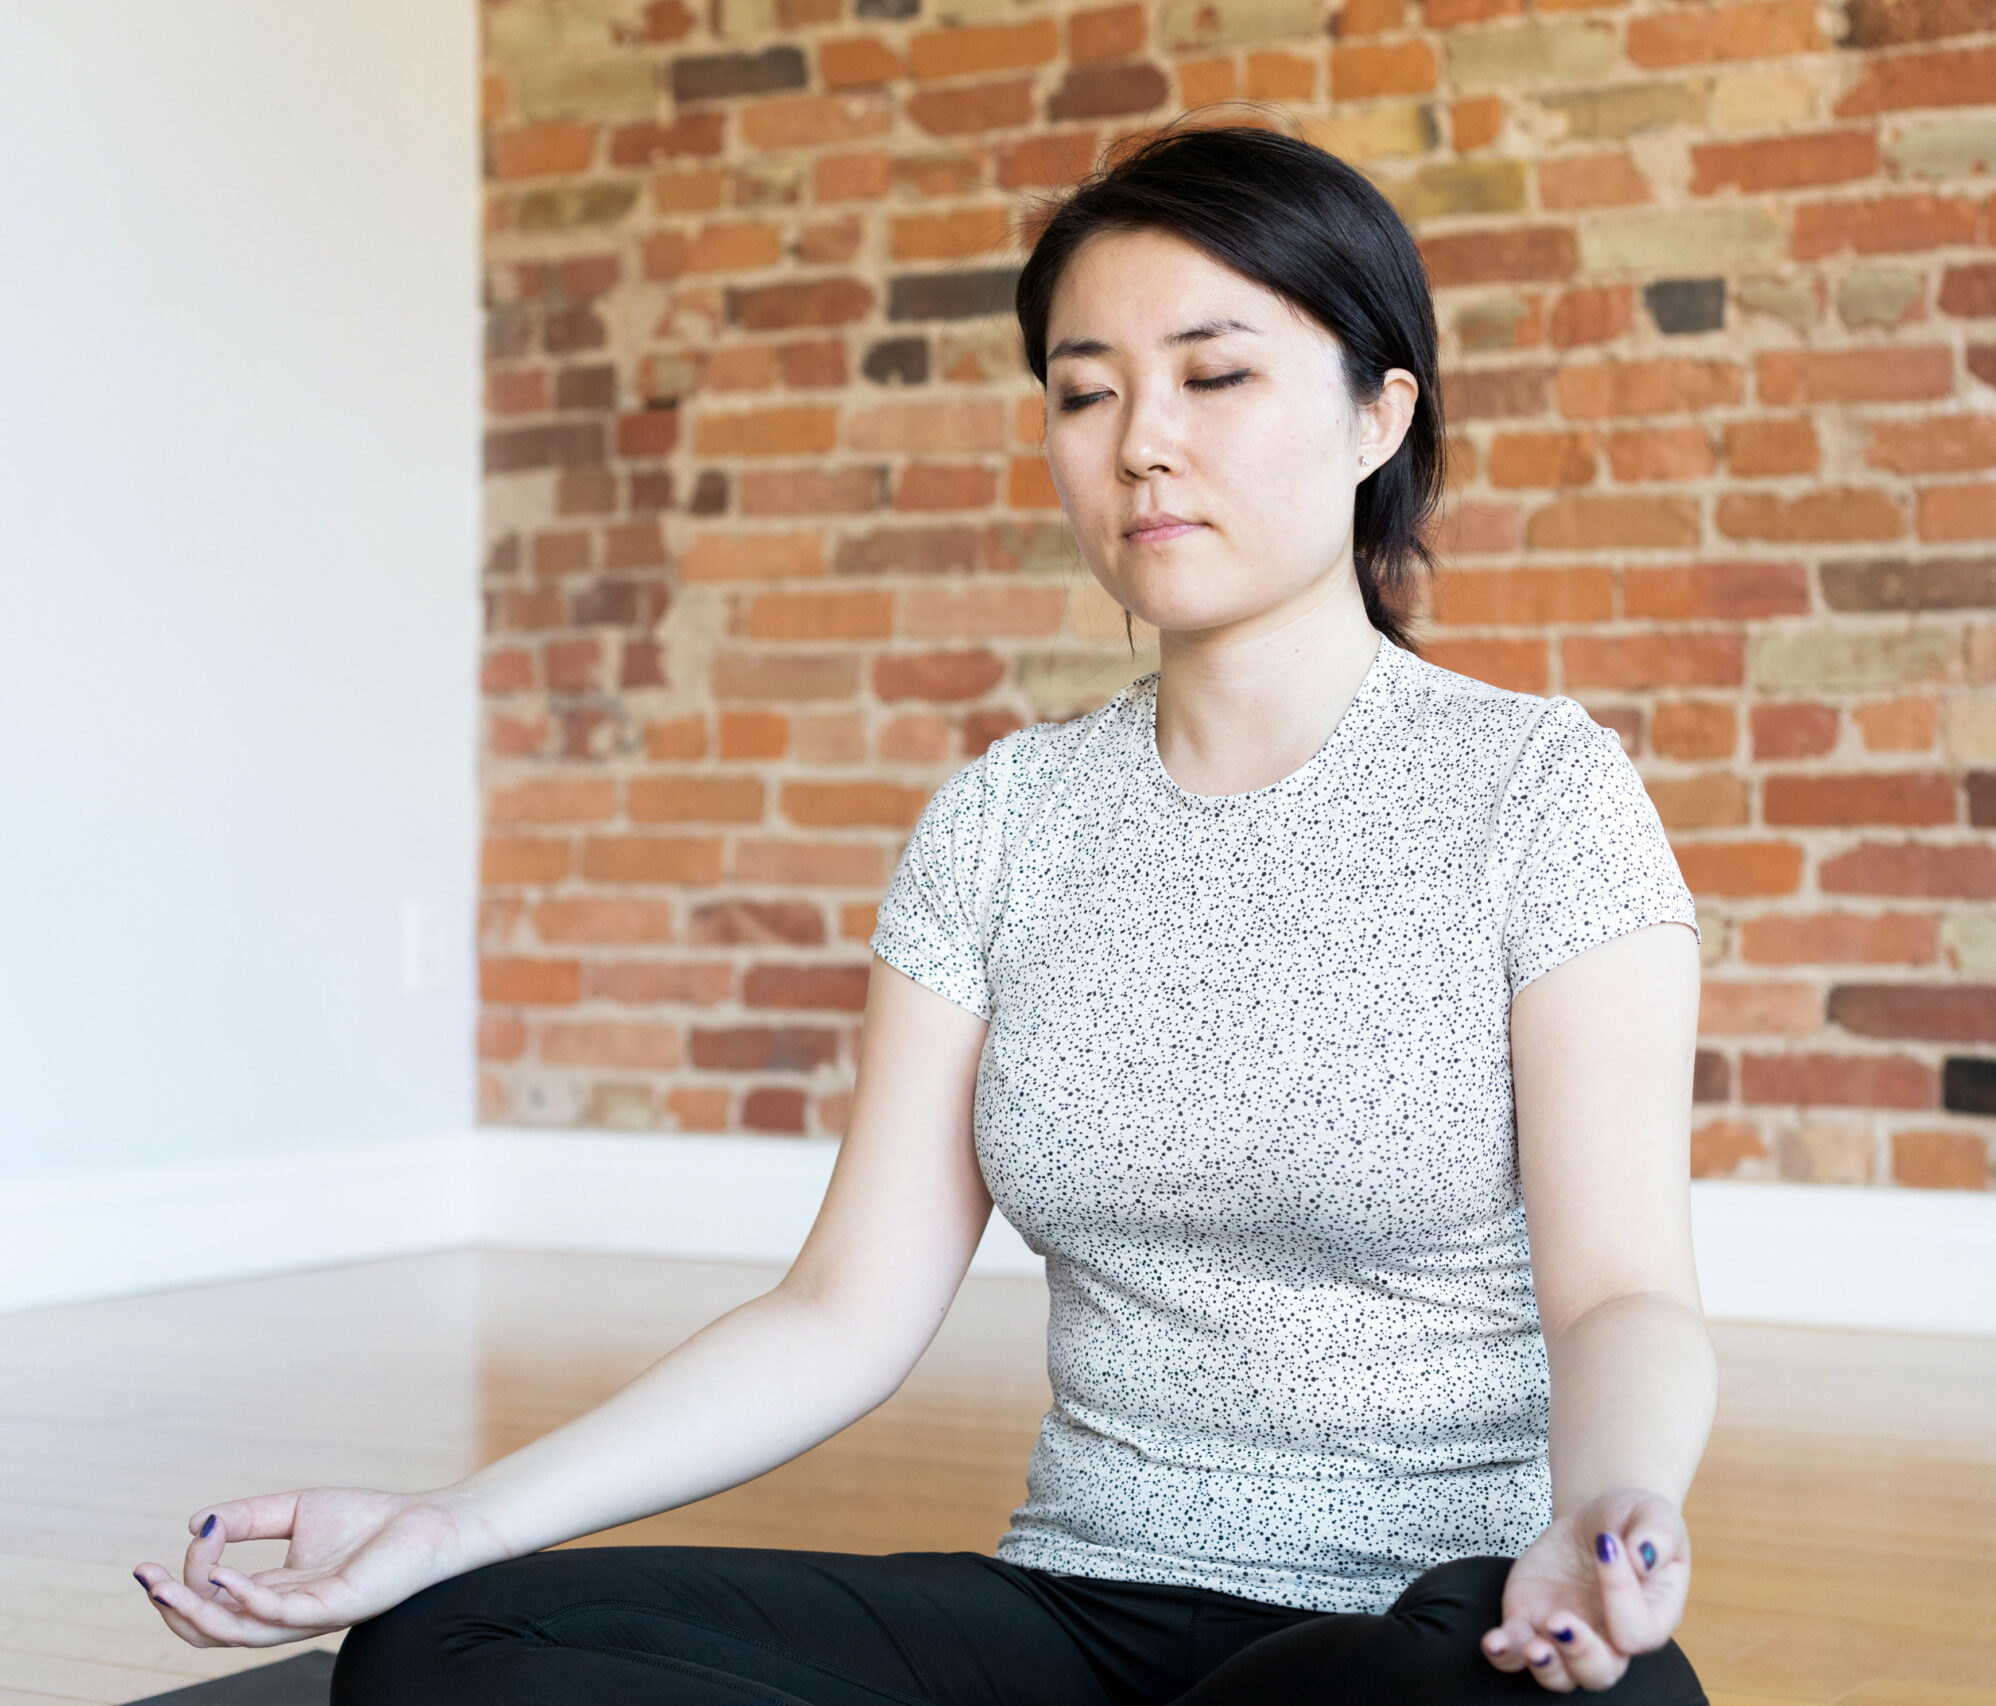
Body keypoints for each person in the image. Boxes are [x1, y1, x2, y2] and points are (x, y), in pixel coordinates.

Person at [132, 120, 1719, 1702]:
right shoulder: (1005, 821)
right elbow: (841, 1307)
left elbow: (1621, 1291)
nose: (1141, 442)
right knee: (447, 1643)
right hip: (1072, 1607)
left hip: (1420, 1629)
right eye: (1086, 391)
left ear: (1382, 415)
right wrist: (454, 1519)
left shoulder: (1536, 794)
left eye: (1212, 377)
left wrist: (1601, 1516)